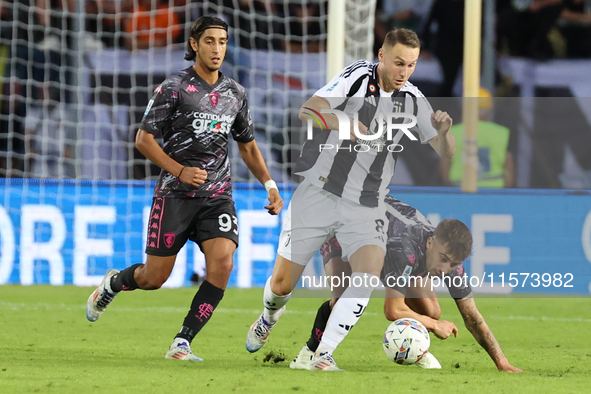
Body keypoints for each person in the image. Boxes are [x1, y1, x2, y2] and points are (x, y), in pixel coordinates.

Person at [245, 28, 456, 371]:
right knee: (282, 284)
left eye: (412, 65)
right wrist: (343, 121)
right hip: (320, 192)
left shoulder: (414, 100)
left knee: (367, 274)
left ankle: (323, 355)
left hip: (366, 204)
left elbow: (446, 153)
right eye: (399, 62)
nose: (405, 72)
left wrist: (445, 134)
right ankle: (269, 316)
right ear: (382, 56)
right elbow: (308, 110)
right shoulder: (356, 77)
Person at [85, 16, 283, 361]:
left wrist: (270, 185)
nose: (217, 48)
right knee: (153, 277)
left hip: (217, 197)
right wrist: (179, 170)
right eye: (210, 41)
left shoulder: (235, 93)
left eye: (222, 41)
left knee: (222, 263)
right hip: (174, 195)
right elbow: (144, 140)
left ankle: (183, 341)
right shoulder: (173, 88)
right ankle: (114, 284)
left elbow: (248, 145)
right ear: (194, 44)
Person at [290, 196, 524, 373]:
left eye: (452, 264)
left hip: (382, 238)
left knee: (431, 308)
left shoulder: (449, 261)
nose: (445, 269)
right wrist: (434, 325)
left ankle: (416, 349)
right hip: (344, 228)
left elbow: (472, 316)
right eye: (443, 259)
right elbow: (393, 310)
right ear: (431, 243)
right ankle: (309, 354)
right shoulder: (405, 249)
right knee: (343, 297)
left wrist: (502, 362)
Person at [440, 88, 516, 188]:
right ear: (489, 110)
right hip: (494, 189)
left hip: (460, 188)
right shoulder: (501, 133)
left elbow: (445, 165)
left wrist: (450, 186)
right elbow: (509, 167)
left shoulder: (452, 132)